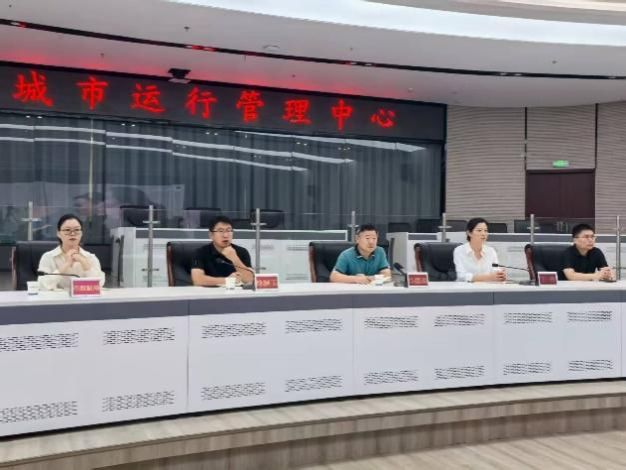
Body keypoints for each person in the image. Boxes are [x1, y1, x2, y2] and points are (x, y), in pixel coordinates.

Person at [37, 214, 106, 290]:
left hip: (83, 297)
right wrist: (66, 265)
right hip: (57, 297)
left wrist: (84, 263)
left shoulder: (90, 257)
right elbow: (42, 286)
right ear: (59, 233)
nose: (72, 234)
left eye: (77, 230)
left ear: (81, 233)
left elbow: (99, 285)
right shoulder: (48, 257)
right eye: (67, 230)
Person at [191, 215, 254, 287]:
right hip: (210, 292)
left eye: (229, 230)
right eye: (220, 231)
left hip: (235, 293)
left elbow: (250, 280)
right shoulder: (200, 252)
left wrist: (235, 258)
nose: (225, 235)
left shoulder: (242, 251)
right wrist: (228, 280)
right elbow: (198, 280)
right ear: (211, 235)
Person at [453, 217, 506, 283]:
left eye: (485, 230)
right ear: (469, 233)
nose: (483, 234)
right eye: (479, 230)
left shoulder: (491, 251)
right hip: (465, 288)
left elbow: (495, 271)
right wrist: (489, 277)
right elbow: (461, 276)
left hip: (485, 287)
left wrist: (500, 276)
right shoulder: (459, 251)